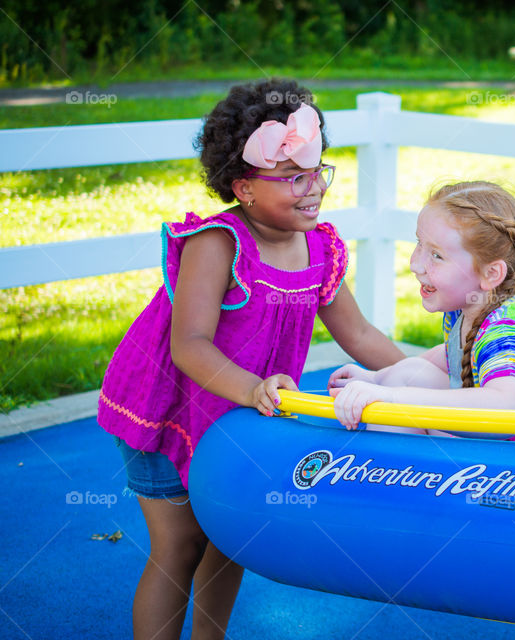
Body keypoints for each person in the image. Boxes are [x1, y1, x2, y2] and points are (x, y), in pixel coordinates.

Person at [96, 79, 405, 640]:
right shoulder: (218, 243)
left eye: (317, 172)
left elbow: (358, 333)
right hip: (168, 409)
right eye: (291, 178)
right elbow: (188, 343)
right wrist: (253, 388)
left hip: (237, 415)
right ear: (243, 187)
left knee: (231, 535)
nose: (312, 190)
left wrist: (418, 378)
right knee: (180, 545)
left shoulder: (319, 248)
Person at [328, 181, 515, 441]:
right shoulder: (474, 300)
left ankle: (392, 472)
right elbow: (455, 354)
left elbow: (506, 409)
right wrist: (378, 379)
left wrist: (392, 396)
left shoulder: (509, 330)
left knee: (403, 391)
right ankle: (390, 466)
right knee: (405, 374)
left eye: (437, 256)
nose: (415, 265)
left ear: (491, 273)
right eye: (420, 244)